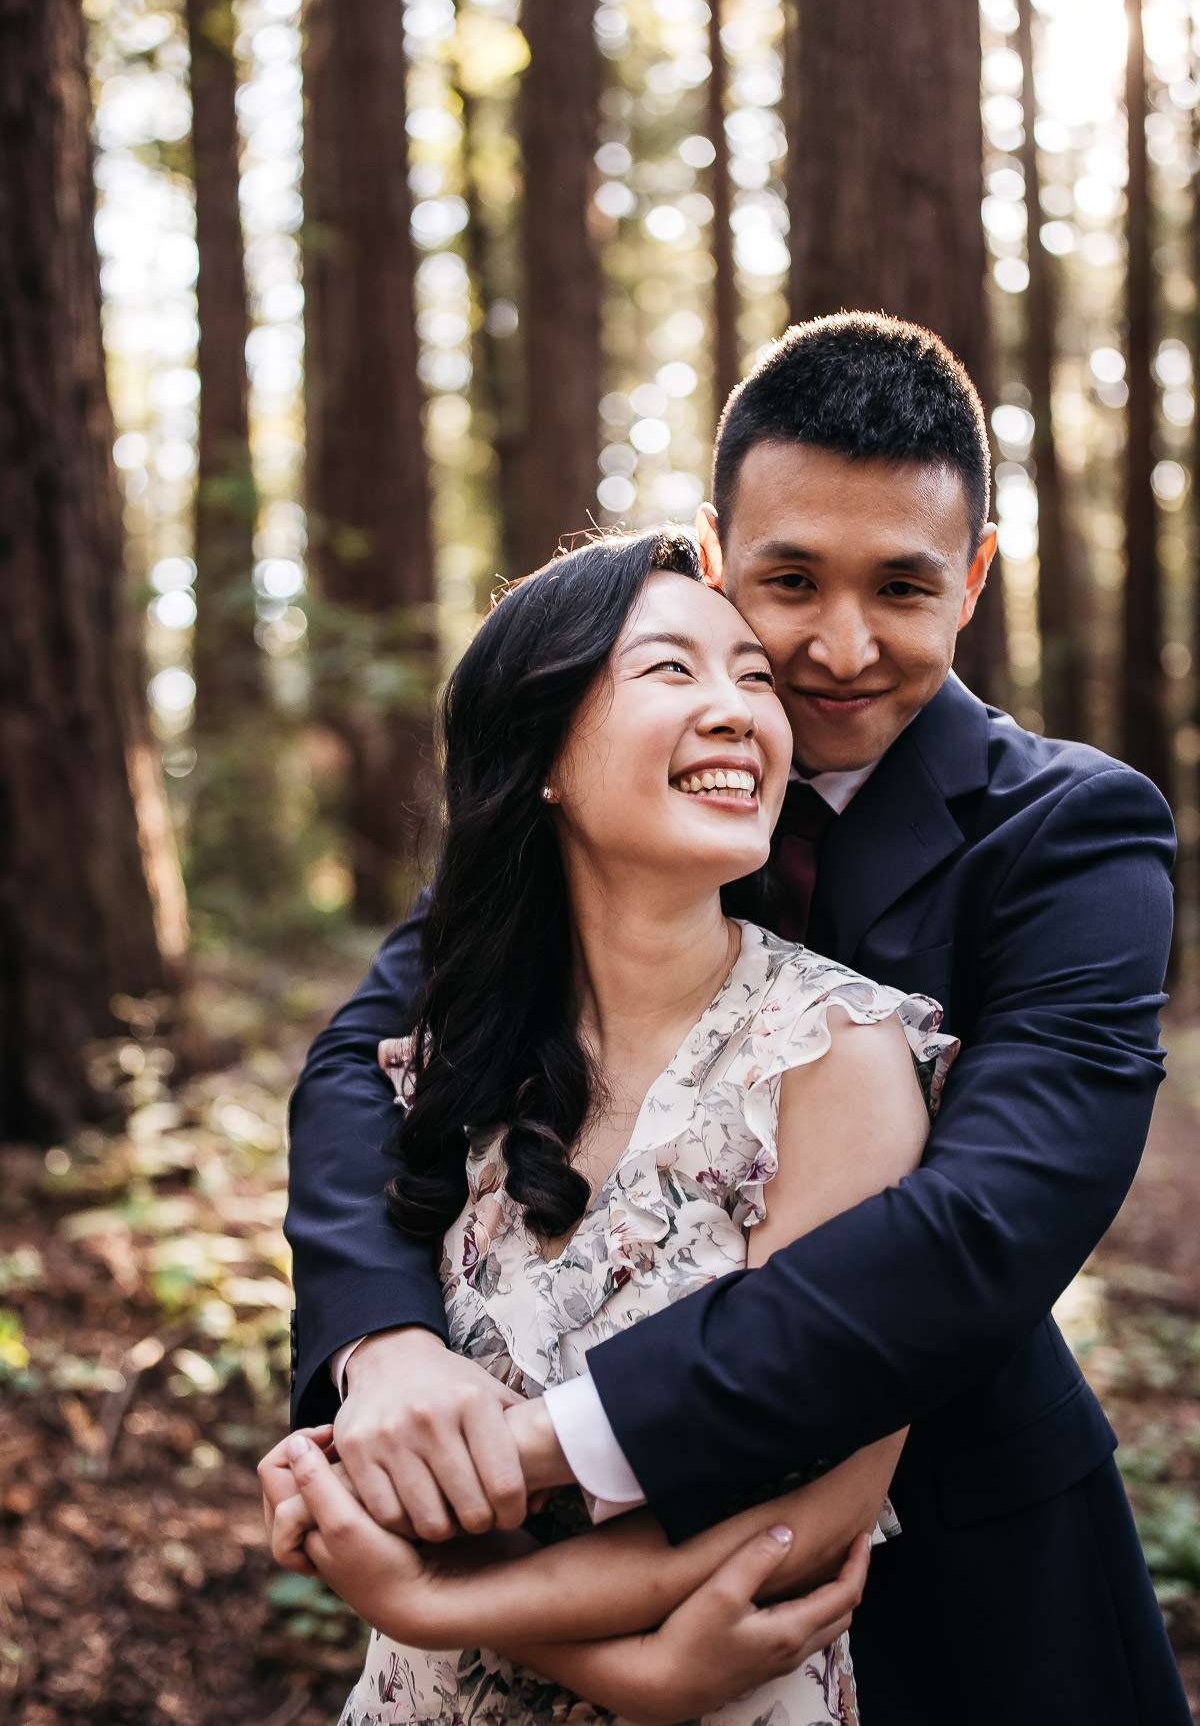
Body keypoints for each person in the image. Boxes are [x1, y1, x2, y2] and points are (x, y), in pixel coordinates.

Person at [279, 313, 1187, 1724]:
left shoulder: (1073, 830)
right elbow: (367, 1055)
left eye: (902, 585)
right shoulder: (623, 782)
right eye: (788, 579)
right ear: (716, 559)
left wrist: (535, 1446)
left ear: (976, 579)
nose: (839, 644)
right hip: (560, 1574)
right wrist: (380, 1345)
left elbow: (983, 1227)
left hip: (956, 1557)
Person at [263, 527, 960, 1723]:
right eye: (671, 670)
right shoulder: (451, 1058)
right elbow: (367, 1466)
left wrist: (430, 1600)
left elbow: (818, 1517)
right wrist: (341, 1461)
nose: (741, 708)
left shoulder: (835, 1053)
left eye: (753, 675)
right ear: (538, 751)